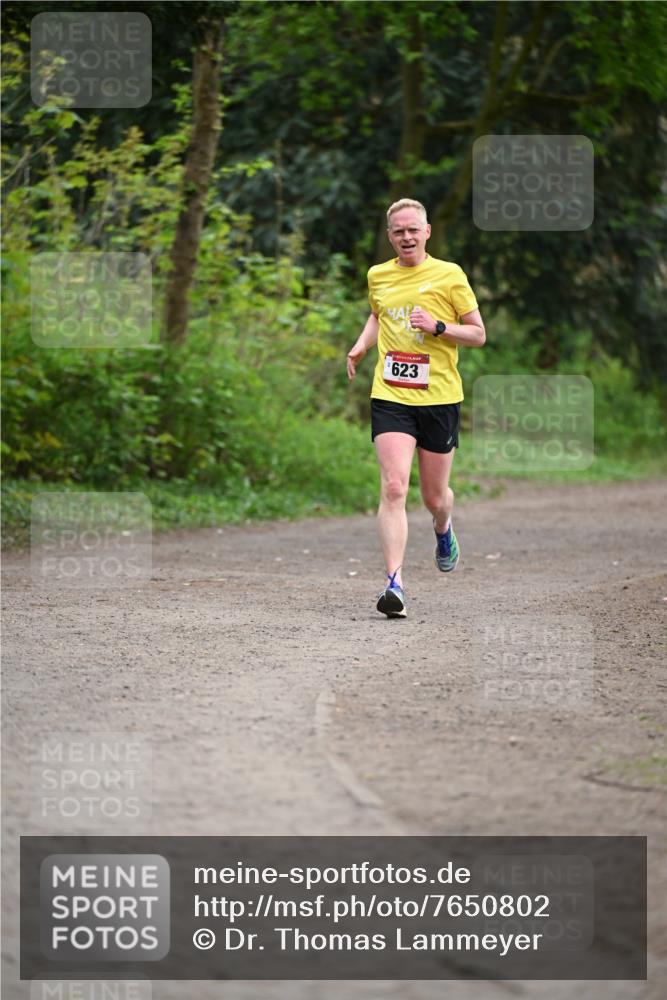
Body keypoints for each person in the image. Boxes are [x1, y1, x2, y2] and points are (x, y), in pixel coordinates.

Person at [347, 198, 486, 619]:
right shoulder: (378, 275)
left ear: (426, 232)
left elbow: (478, 334)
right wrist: (362, 345)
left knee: (434, 496)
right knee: (393, 487)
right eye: (398, 231)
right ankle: (395, 584)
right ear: (390, 236)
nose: (406, 237)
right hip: (391, 394)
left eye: (413, 230)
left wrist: (438, 327)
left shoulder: (450, 275)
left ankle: (443, 527)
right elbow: (378, 315)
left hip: (439, 398)